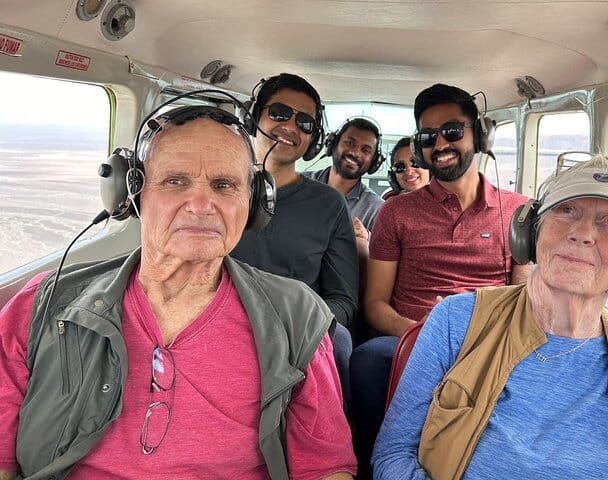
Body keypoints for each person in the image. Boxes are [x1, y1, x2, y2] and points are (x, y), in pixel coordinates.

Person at [0, 107, 356, 479]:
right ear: (132, 194)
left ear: (253, 202)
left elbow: (325, 468)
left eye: (224, 185)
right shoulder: (44, 303)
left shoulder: (297, 318)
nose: (201, 206)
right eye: (175, 181)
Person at [373, 154, 608, 479]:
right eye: (567, 210)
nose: (582, 233)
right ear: (529, 232)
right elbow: (393, 454)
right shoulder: (457, 321)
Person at [350, 84, 531, 478]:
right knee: (369, 358)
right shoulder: (396, 212)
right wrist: (423, 334)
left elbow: (525, 303)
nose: (440, 145)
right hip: (412, 337)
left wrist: (482, 344)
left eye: (452, 131)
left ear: (478, 135)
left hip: (490, 344)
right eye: (428, 137)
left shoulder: (519, 212)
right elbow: (375, 305)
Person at [230, 73, 358, 406]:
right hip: (220, 324)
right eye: (279, 113)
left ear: (313, 140)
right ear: (253, 117)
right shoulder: (218, 189)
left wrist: (301, 327)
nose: (290, 127)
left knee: (340, 342)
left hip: (298, 332)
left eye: (304, 123)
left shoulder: (328, 204)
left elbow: (343, 301)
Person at [304, 117, 385, 233]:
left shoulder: (376, 209)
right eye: (350, 143)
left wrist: (367, 239)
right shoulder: (297, 183)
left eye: (365, 150)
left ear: (374, 161)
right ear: (333, 143)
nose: (355, 153)